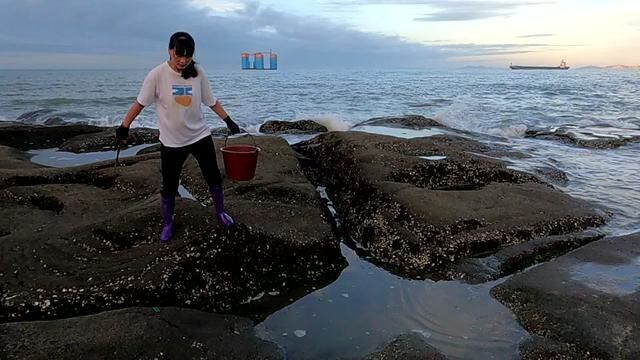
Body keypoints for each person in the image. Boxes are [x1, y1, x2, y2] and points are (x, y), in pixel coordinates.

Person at [116, 31, 241, 243]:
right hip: (172, 142)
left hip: (200, 136)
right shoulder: (156, 75)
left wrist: (228, 120)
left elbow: (211, 101)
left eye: (188, 56)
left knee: (213, 176)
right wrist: (124, 126)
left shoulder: (198, 72)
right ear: (169, 51)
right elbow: (140, 104)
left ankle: (220, 212)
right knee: (169, 186)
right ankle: (167, 223)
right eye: (178, 55)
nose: (183, 60)